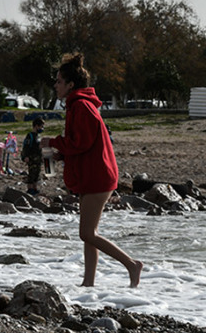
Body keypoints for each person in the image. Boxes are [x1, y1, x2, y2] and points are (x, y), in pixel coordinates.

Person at [41, 53, 143, 288]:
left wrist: (53, 142)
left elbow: (81, 142)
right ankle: (88, 282)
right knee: (90, 233)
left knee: (87, 233)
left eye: (58, 81)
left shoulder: (82, 107)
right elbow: (80, 143)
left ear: (70, 85)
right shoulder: (77, 106)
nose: (55, 85)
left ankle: (131, 264)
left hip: (98, 177)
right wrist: (59, 153)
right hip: (92, 175)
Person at [20, 117, 45, 195]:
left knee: (37, 174)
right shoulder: (30, 136)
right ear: (36, 126)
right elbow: (26, 147)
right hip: (31, 158)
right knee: (32, 173)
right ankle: (30, 189)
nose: (42, 128)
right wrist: (25, 156)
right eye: (41, 126)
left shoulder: (38, 136)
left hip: (38, 159)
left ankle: (35, 188)